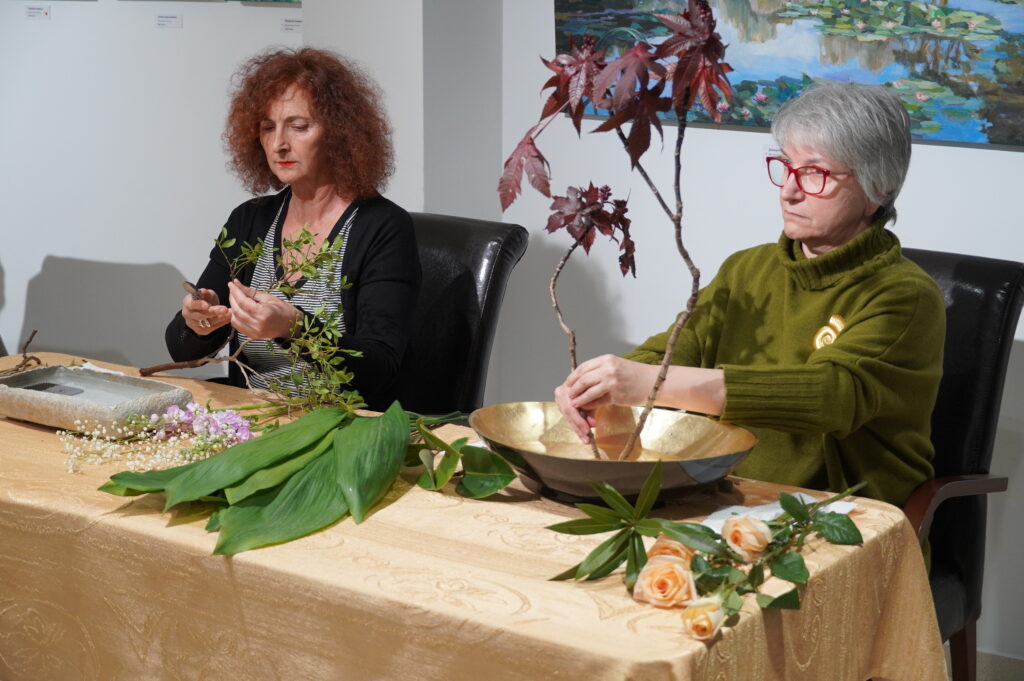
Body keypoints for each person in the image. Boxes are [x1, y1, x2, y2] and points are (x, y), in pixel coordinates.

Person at [555, 82, 945, 508]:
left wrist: (649, 383)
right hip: (726, 497)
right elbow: (674, 349)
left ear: (878, 189)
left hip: (844, 512)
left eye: (815, 173)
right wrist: (599, 386)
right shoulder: (747, 269)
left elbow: (831, 396)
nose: (789, 190)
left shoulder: (906, 295)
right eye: (786, 166)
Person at [165, 47, 420, 410]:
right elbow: (181, 350)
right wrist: (198, 323)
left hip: (338, 424)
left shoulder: (384, 227)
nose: (279, 144)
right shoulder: (249, 220)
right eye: (268, 128)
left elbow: (380, 368)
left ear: (338, 132)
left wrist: (296, 328)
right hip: (250, 416)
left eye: (298, 127)